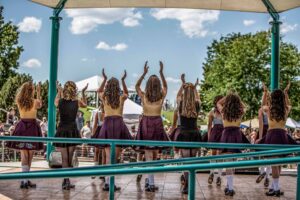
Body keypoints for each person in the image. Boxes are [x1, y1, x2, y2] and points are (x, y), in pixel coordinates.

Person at [96, 69, 132, 191]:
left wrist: (104, 79)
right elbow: (127, 93)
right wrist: (123, 80)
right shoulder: (121, 98)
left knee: (107, 157)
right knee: (114, 158)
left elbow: (99, 91)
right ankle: (110, 182)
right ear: (117, 87)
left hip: (107, 123)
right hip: (118, 124)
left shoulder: (105, 97)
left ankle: (107, 182)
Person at [258, 82, 297, 197]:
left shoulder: (269, 109)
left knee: (274, 163)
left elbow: (262, 105)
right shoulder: (285, 109)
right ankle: (275, 187)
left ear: (273, 99)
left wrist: (265, 93)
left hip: (272, 135)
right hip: (282, 135)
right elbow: (289, 104)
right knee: (278, 163)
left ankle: (275, 189)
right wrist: (286, 94)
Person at [135, 61, 169, 192]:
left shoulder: (144, 96)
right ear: (158, 85)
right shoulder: (161, 96)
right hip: (157, 123)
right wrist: (161, 72)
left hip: (146, 122)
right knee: (153, 153)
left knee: (150, 153)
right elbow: (166, 86)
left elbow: (137, 85)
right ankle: (150, 182)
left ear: (148, 85)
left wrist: (144, 73)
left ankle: (149, 181)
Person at [6, 82, 43, 189]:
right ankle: (25, 180)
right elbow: (40, 105)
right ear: (32, 91)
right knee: (30, 155)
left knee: (24, 155)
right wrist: (39, 91)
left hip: (21, 127)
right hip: (32, 128)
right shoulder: (35, 102)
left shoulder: (19, 101)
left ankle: (24, 180)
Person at [53, 81, 88, 190]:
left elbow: (55, 103)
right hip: (72, 130)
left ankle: (66, 181)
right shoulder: (77, 102)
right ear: (74, 89)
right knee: (69, 157)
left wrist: (58, 91)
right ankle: (66, 180)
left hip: (62, 129)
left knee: (65, 157)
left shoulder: (60, 101)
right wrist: (83, 92)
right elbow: (86, 105)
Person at [173, 74, 202, 194]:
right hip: (194, 134)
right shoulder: (197, 105)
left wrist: (182, 84)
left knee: (185, 161)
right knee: (192, 161)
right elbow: (198, 98)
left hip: (184, 134)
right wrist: (194, 88)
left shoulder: (181, 105)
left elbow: (178, 96)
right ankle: (189, 184)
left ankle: (186, 184)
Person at [217, 92, 249, 196]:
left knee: (228, 162)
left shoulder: (223, 111)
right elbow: (245, 106)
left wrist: (228, 96)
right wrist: (237, 97)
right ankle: (229, 186)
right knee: (232, 162)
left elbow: (218, 102)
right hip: (236, 134)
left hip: (226, 134)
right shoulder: (240, 111)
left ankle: (229, 187)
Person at [207, 95, 224, 186]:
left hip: (222, 133)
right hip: (214, 133)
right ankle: (211, 173)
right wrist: (209, 138)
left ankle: (219, 176)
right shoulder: (212, 112)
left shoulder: (224, 112)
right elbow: (209, 126)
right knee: (213, 154)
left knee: (220, 155)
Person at [256, 107, 271, 187]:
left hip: (264, 130)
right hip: (271, 131)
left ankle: (262, 172)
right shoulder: (274, 108)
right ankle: (267, 177)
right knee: (270, 155)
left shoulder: (262, 109)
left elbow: (261, 124)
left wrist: (260, 138)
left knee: (261, 154)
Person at [91, 102, 106, 180]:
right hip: (102, 132)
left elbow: (94, 126)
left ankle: (99, 172)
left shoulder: (104, 113)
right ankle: (98, 172)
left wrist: (93, 136)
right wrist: (93, 136)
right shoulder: (100, 113)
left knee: (100, 153)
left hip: (102, 132)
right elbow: (94, 125)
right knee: (99, 153)